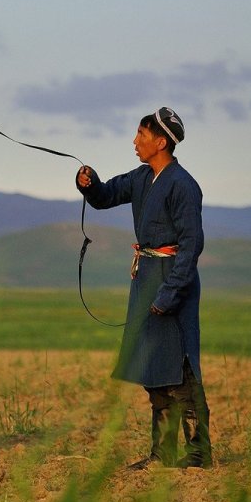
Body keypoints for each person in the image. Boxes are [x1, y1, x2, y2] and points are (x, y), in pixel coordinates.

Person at [75, 107, 212, 469]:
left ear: (161, 142)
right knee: (155, 367)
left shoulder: (183, 185)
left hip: (173, 279)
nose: (135, 141)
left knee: (181, 369)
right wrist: (89, 183)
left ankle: (199, 453)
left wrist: (170, 293)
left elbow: (191, 245)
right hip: (146, 275)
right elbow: (105, 195)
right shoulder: (141, 177)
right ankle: (162, 454)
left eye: (141, 135)